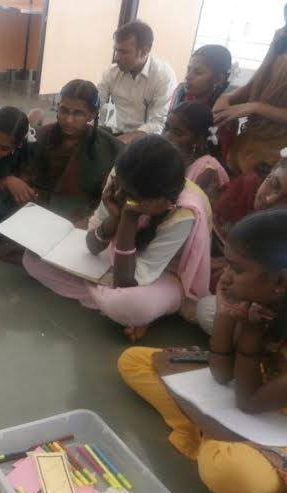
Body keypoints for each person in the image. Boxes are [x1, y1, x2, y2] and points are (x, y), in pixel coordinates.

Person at [118, 209, 287, 493]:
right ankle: (214, 430)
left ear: (281, 282)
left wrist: (249, 331)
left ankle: (209, 429)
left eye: (237, 269)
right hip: (259, 391)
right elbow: (221, 374)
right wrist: (225, 314)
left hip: (263, 409)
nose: (226, 277)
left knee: (232, 472)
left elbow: (249, 403)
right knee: (134, 361)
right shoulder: (265, 300)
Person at [23, 135, 211, 342]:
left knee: (129, 305)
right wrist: (115, 218)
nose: (120, 194)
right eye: (120, 186)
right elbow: (92, 244)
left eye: (131, 196)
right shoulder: (122, 177)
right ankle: (114, 304)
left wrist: (129, 217)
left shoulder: (184, 213)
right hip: (119, 258)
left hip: (167, 275)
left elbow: (127, 282)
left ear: (161, 200)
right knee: (32, 260)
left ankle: (130, 308)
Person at [197, 154, 287, 334]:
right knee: (209, 308)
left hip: (271, 306)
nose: (270, 199)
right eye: (273, 183)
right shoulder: (245, 188)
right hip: (258, 302)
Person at [29, 80, 124, 223]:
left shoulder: (109, 148)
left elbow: (109, 196)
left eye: (78, 113)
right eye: (64, 110)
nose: (68, 120)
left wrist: (92, 220)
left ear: (92, 115)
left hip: (82, 217)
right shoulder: (41, 136)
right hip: (35, 209)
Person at [213, 6, 287, 176]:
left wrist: (256, 107)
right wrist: (227, 98)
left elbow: (255, 104)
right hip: (248, 142)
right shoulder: (281, 36)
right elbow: (254, 84)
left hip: (277, 153)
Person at [98, 20, 177, 144]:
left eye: (123, 52)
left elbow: (159, 123)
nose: (116, 57)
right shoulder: (112, 72)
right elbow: (95, 104)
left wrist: (121, 142)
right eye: (116, 50)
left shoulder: (163, 77)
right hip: (116, 131)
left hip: (148, 141)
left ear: (144, 51)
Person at [164, 102, 230, 208]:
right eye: (166, 128)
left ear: (199, 140)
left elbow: (192, 213)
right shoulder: (175, 159)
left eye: (178, 133)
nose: (167, 136)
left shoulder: (207, 171)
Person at [169, 45, 232, 111]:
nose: (187, 77)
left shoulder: (220, 111)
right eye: (188, 70)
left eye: (198, 72)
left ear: (218, 79)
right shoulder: (181, 92)